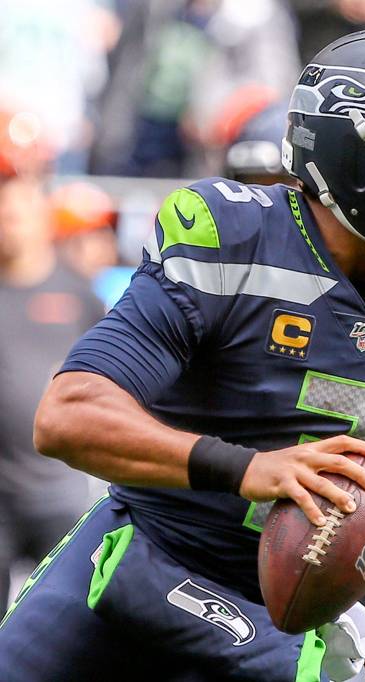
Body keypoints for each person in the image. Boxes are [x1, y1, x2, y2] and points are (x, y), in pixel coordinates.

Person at [0, 29, 365, 682]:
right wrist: (248, 469)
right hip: (144, 561)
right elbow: (66, 415)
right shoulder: (234, 242)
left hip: (282, 612)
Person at [0, 154, 105, 611]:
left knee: (59, 624)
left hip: (58, 492)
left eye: (18, 201)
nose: (9, 213)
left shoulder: (79, 295)